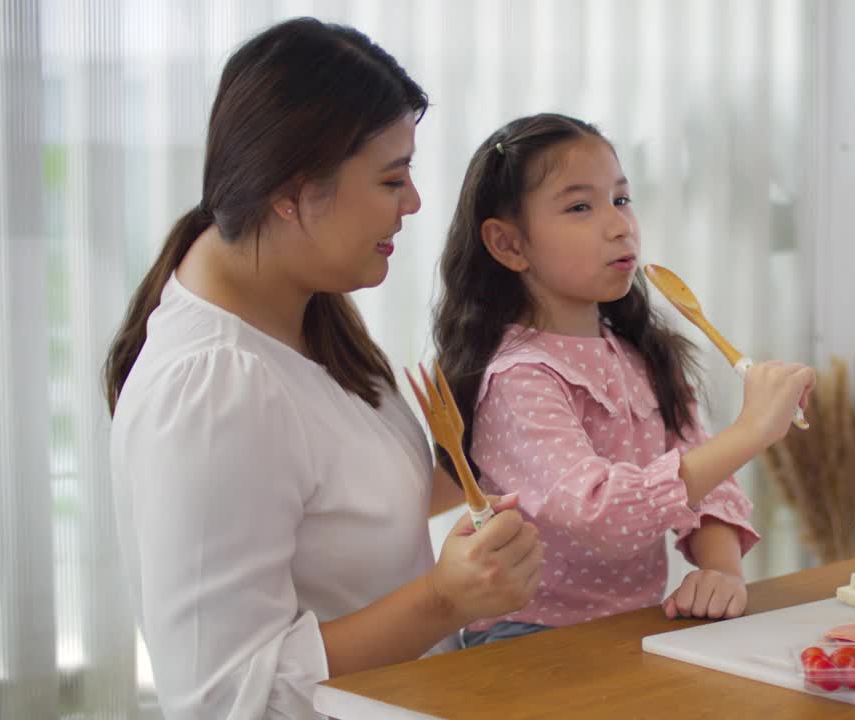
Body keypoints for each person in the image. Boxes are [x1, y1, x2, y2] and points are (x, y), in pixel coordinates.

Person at [104, 18, 542, 719]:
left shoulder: (307, 315)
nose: (414, 202)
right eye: (392, 178)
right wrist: (443, 599)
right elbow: (221, 697)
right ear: (294, 192)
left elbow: (343, 509)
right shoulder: (213, 387)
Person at [432, 113, 816, 646]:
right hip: (527, 639)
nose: (618, 225)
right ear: (508, 245)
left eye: (621, 199)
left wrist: (722, 571)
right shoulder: (518, 377)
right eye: (580, 207)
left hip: (633, 627)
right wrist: (750, 432)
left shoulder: (644, 355)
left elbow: (710, 487)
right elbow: (599, 516)